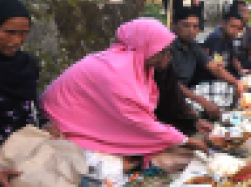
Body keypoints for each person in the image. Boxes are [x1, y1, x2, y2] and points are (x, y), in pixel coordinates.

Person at [42, 19, 209, 164]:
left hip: (88, 120)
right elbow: (140, 122)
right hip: (62, 125)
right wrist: (190, 142)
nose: (167, 56)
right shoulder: (118, 72)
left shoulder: (141, 64)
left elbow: (170, 98)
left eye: (168, 51)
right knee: (116, 167)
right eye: (162, 51)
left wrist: (192, 122)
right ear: (144, 46)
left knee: (167, 151)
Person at [0, 0, 62, 187]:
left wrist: (45, 125)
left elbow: (31, 106)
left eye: (24, 33)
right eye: (9, 32)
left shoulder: (26, 66)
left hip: (19, 159)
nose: (17, 40)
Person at [170, 7, 244, 119]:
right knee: (191, 113)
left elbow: (214, 67)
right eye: (186, 25)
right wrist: (202, 101)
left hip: (190, 90)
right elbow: (172, 84)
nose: (191, 30)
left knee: (232, 89)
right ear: (174, 25)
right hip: (172, 94)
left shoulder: (193, 45)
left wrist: (236, 83)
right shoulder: (168, 47)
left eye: (195, 26)